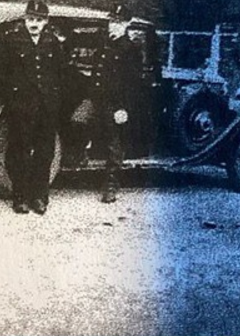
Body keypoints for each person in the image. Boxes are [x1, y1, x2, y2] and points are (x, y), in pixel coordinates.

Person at [0, 0, 69, 215]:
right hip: (21, 106)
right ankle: (20, 196)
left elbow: (61, 73)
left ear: (45, 22)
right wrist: (10, 100)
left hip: (47, 106)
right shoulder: (12, 40)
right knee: (19, 151)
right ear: (24, 19)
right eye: (30, 19)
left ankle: (40, 197)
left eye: (38, 20)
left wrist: (55, 99)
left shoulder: (52, 41)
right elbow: (2, 73)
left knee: (45, 153)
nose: (33, 23)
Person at [87, 3, 144, 203]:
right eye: (112, 21)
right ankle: (80, 159)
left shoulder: (131, 49)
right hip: (97, 99)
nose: (113, 26)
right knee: (77, 121)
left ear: (127, 24)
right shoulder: (106, 43)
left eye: (118, 22)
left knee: (114, 144)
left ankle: (111, 185)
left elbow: (133, 83)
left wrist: (124, 108)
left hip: (116, 103)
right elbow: (97, 72)